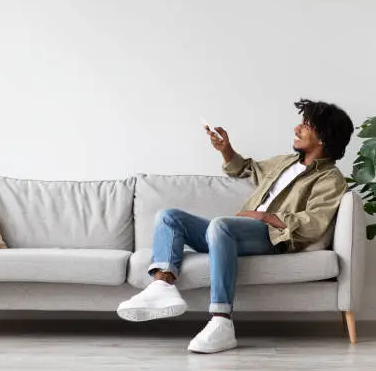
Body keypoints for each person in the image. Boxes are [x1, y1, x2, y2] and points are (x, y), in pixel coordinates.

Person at [117, 99, 354, 354]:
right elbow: (246, 168)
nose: (297, 128)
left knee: (221, 226)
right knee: (169, 216)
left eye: (306, 125)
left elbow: (314, 223)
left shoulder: (330, 179)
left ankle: (222, 322)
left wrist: (264, 217)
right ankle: (162, 285)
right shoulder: (285, 162)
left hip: (273, 238)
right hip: (238, 231)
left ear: (323, 138)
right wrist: (226, 149)